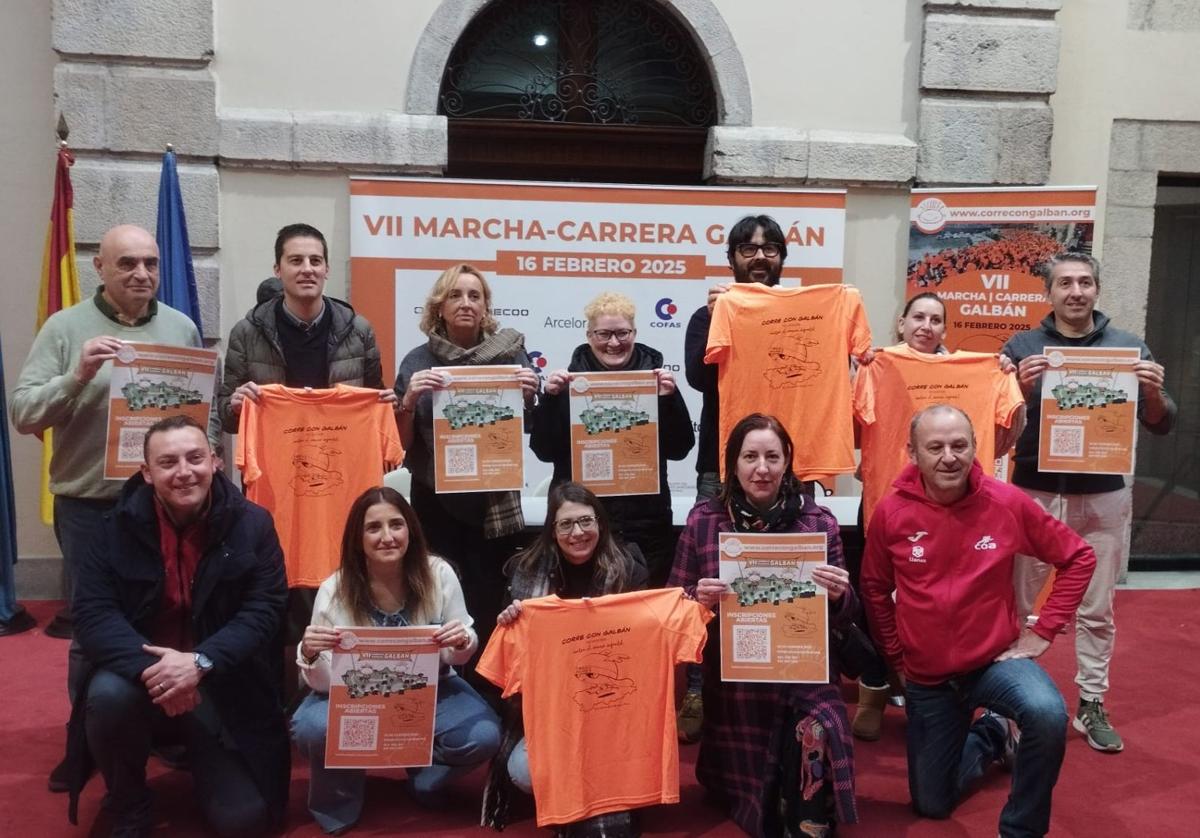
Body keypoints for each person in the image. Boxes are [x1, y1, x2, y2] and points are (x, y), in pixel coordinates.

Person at [861, 405, 1096, 838]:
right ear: (912, 453)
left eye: (959, 445)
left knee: (1047, 713)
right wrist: (896, 656)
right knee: (932, 803)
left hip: (995, 662)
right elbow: (873, 588)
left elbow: (1079, 556)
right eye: (935, 447)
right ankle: (991, 734)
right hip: (928, 677)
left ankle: (1022, 830)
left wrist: (1043, 632)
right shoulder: (891, 513)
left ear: (973, 449)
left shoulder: (1006, 502)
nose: (949, 456)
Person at [60, 415, 290, 837]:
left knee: (245, 823)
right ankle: (129, 803)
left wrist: (200, 663)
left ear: (216, 462)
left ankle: (197, 749)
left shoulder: (255, 525)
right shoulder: (111, 530)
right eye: (167, 462)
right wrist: (162, 674)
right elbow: (94, 616)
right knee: (107, 695)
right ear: (146, 473)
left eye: (195, 458)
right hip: (140, 683)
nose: (184, 472)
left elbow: (265, 609)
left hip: (221, 684)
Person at [1002, 252, 1177, 753]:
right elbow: (996, 423)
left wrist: (1155, 394)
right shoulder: (1023, 346)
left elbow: (1162, 423)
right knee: (1020, 605)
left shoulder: (1128, 348)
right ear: (1048, 293)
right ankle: (1015, 701)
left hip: (1102, 496)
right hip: (1035, 490)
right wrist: (1019, 388)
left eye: (1084, 282)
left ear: (1097, 290)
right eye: (1065, 283)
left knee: (1097, 608)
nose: (1075, 291)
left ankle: (1091, 703)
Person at [11, 224, 213, 646]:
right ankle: (92, 711)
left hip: (164, 503)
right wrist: (78, 376)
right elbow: (24, 415)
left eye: (150, 263)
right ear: (100, 267)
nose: (141, 273)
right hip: (90, 506)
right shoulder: (64, 327)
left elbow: (198, 416)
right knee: (94, 627)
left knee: (166, 615)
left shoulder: (182, 328)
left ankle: (157, 709)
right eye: (127, 263)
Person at [669, 413, 859, 837]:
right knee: (762, 807)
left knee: (818, 727)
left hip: (805, 666)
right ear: (732, 465)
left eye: (772, 457)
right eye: (750, 456)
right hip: (735, 673)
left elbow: (847, 613)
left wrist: (839, 594)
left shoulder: (819, 522)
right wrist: (697, 600)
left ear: (787, 461)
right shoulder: (703, 522)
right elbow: (674, 606)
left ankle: (808, 811)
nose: (762, 468)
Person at [846, 291, 1023, 741]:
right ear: (901, 323)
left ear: (946, 329)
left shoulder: (980, 370)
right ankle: (876, 689)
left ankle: (957, 697)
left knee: (947, 601)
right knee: (878, 601)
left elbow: (1007, 429)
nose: (926, 326)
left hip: (955, 509)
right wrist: (861, 370)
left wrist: (1004, 375)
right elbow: (851, 429)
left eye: (936, 319)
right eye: (918, 317)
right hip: (892, 504)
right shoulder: (878, 365)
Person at [217, 223, 392, 675]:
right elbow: (228, 415)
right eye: (296, 260)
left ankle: (347, 683)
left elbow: (373, 400)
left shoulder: (358, 329)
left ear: (327, 268)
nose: (306, 269)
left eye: (315, 260)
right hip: (278, 490)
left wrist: (384, 407)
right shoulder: (247, 332)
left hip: (341, 496)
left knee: (345, 588)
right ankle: (280, 693)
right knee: (276, 593)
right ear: (278, 268)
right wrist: (238, 405)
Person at [291, 486, 500, 833]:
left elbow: (458, 650)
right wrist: (310, 653)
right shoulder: (335, 587)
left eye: (396, 525)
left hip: (431, 688)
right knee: (312, 727)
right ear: (357, 538)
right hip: (354, 696)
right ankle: (339, 799)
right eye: (374, 528)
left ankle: (426, 779)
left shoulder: (439, 574)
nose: (387, 537)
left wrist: (463, 641)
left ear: (411, 530)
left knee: (483, 735)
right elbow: (325, 683)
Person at [394, 264, 540, 670]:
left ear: (485, 307)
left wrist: (529, 397)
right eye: (456, 295)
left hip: (490, 504)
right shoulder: (417, 361)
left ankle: (487, 693)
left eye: (475, 296)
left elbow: (530, 429)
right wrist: (408, 400)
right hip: (434, 504)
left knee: (489, 599)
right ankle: (435, 686)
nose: (466, 303)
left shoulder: (511, 354)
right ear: (439, 306)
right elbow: (398, 446)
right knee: (435, 599)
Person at [481, 481, 649, 832]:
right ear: (552, 530)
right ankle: (579, 800)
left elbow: (648, 639)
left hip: (613, 710)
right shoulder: (525, 574)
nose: (578, 533)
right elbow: (510, 667)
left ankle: (593, 801)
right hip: (550, 712)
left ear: (600, 524)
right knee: (524, 773)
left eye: (586, 521)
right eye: (566, 524)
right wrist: (510, 621)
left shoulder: (629, 570)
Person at [678, 214, 786, 743]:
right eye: (748, 249)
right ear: (733, 260)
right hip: (718, 467)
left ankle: (779, 674)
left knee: (781, 571)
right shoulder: (709, 312)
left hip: (786, 463)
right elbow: (699, 377)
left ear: (782, 258)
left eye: (769, 249)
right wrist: (724, 315)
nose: (759, 257)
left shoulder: (799, 315)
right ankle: (699, 682)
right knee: (709, 576)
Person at [530, 292, 693, 586]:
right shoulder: (568, 385)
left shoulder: (657, 383)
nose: (614, 343)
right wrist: (551, 401)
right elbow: (543, 451)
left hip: (645, 525)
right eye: (604, 334)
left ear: (634, 333)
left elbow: (681, 449)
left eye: (622, 333)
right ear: (589, 335)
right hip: (583, 523)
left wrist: (668, 401)